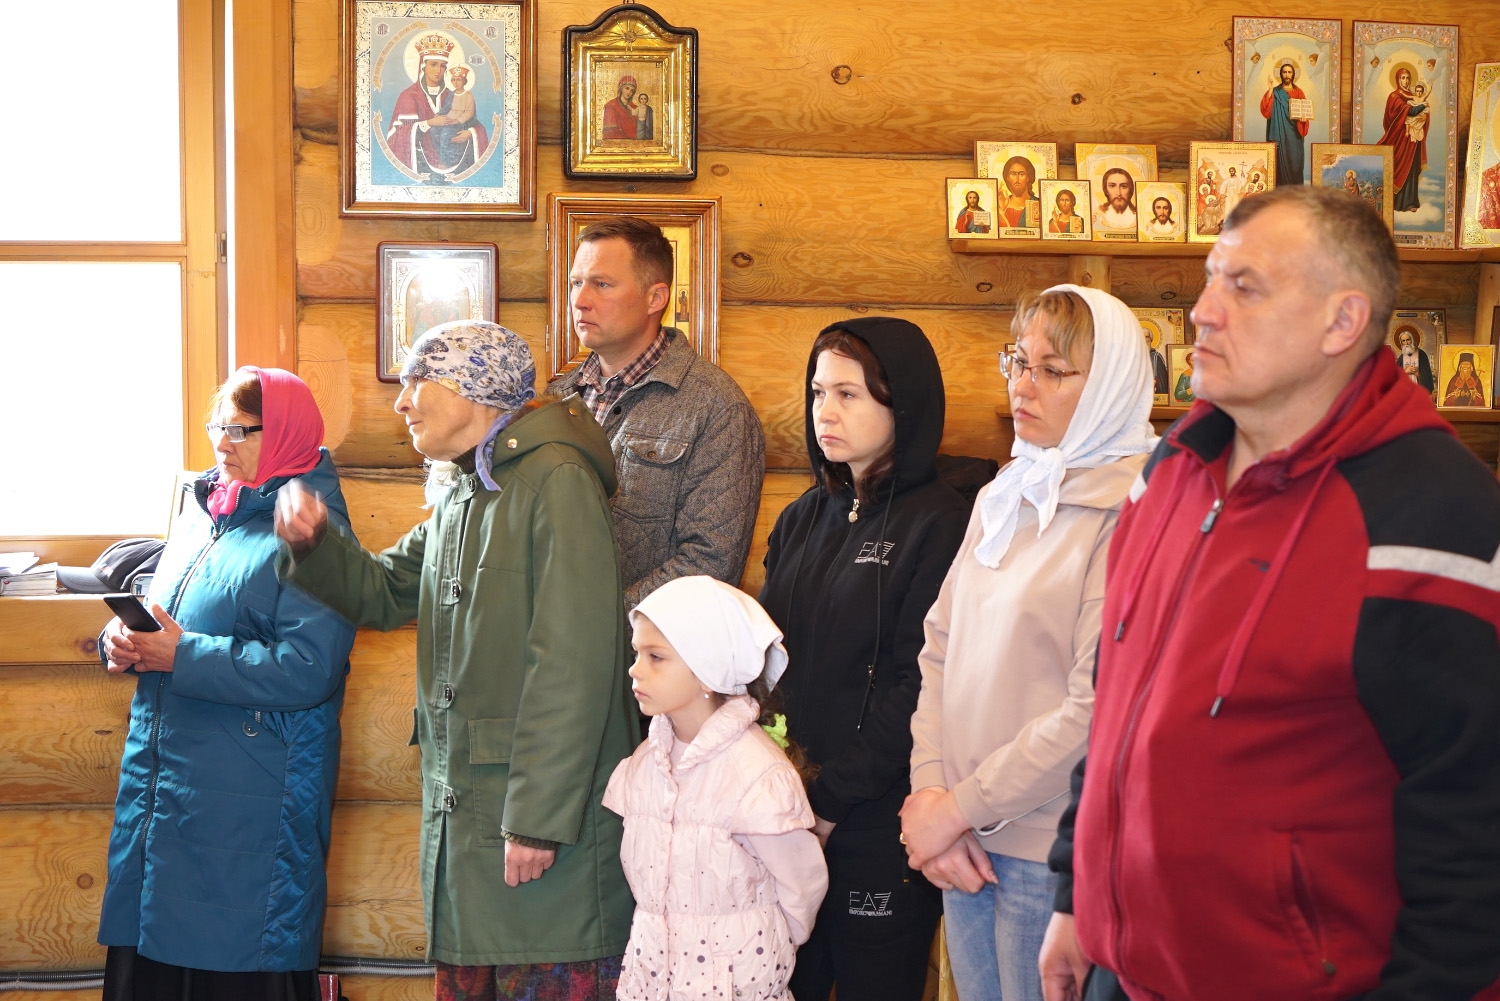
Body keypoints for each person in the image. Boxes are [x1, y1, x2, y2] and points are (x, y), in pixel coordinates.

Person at [1039, 185, 1500, 1001]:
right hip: (1127, 969)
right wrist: (1077, 894)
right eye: (1210, 279)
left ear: (1341, 321)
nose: (1202, 312)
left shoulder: (1432, 510)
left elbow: (1474, 819)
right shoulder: (1171, 467)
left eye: (1244, 286)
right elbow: (1119, 700)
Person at [275, 321, 635, 1000]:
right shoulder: (464, 490)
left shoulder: (557, 480)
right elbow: (385, 590)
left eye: (418, 381)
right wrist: (315, 541)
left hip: (539, 833)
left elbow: (573, 665)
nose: (401, 401)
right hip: (474, 832)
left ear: (474, 390)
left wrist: (537, 819)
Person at [901, 285, 1157, 1001]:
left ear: (1108, 385)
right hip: (961, 837)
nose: (1022, 385)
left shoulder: (1131, 509)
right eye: (1018, 361)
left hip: (1048, 849)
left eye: (1053, 370)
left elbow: (1094, 707)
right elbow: (939, 649)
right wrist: (931, 794)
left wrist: (958, 808)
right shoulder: (1005, 492)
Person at [97, 366, 356, 1000]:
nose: (221, 441)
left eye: (242, 429)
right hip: (166, 788)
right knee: (154, 959)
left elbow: (311, 667)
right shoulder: (204, 513)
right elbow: (170, 617)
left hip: (251, 803)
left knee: (233, 960)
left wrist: (180, 655)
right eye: (218, 425)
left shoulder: (314, 532)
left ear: (286, 433)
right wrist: (126, 639)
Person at [759, 318, 971, 1000]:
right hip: (786, 813)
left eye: (848, 394)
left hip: (878, 821)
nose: (825, 412)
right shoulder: (802, 516)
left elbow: (917, 683)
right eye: (818, 392)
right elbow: (765, 664)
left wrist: (829, 801)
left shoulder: (943, 521)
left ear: (900, 404)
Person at [605, 575, 830, 1000]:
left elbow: (802, 886)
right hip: (653, 980)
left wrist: (760, 951)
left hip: (735, 983)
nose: (635, 669)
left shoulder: (756, 773)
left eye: (656, 657)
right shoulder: (644, 765)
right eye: (637, 654)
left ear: (708, 670)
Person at [550, 217, 765, 608]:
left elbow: (710, 563)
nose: (580, 300)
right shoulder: (555, 398)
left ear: (655, 298)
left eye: (601, 284)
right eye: (575, 283)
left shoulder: (717, 407)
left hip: (638, 643)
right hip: (543, 636)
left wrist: (597, 627)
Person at [385, 34, 488, 178]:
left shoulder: (452, 94)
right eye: (433, 64)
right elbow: (396, 136)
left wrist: (470, 133)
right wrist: (429, 123)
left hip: (455, 159)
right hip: (421, 165)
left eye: (443, 66)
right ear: (423, 66)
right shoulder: (408, 96)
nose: (438, 70)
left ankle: (445, 160)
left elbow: (475, 123)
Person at [1378, 67, 1429, 212]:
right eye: (1402, 78)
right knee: (1398, 168)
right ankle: (1394, 202)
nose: (1405, 81)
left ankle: (1410, 203)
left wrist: (1422, 112)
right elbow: (1408, 112)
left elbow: (1422, 114)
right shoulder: (1394, 96)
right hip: (1399, 139)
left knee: (1412, 169)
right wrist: (1422, 105)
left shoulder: (1414, 95)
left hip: (1413, 139)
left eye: (1407, 78)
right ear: (1397, 79)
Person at [1260, 61, 1309, 186]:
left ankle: (1296, 193)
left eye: (1289, 72)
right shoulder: (1275, 92)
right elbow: (1266, 111)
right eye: (1284, 72)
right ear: (1281, 74)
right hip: (1279, 134)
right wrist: (1270, 89)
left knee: (1295, 163)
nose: (1287, 75)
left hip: (1294, 135)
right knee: (1279, 167)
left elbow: (1305, 112)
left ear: (1293, 74)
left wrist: (1304, 119)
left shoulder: (1299, 92)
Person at [1392, 324, 1435, 397]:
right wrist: (1405, 372)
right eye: (1403, 341)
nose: (1406, 343)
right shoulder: (1401, 358)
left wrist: (1419, 375)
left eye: (1408, 340)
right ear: (1401, 343)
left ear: (1412, 340)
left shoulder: (1421, 354)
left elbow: (1427, 375)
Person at [1001, 157, 1042, 229]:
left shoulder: (1038, 204)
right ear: (1007, 177)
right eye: (1013, 174)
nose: (1017, 179)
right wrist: (1001, 211)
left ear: (1028, 177)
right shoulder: (1001, 206)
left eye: (1021, 174)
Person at [1094, 168, 1136, 235]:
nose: (1118, 193)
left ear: (1130, 189)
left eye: (1123, 186)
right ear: (1106, 190)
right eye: (1112, 186)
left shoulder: (1139, 216)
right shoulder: (1098, 215)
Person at [603, 75, 639, 139]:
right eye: (627, 88)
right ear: (621, 88)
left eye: (632, 90)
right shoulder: (610, 106)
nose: (629, 92)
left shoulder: (635, 108)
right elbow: (610, 132)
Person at [1145, 326, 1169, 395]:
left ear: (1150, 339)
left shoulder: (1156, 356)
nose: (1144, 339)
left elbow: (1162, 379)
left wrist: (1155, 382)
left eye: (1147, 337)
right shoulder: (1134, 356)